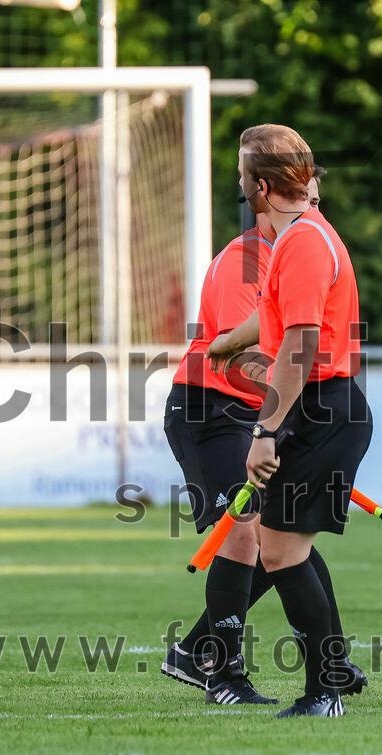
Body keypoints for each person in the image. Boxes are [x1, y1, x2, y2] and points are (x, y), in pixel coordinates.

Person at [238, 124, 373, 717]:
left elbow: (301, 343)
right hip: (320, 406)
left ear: (262, 186)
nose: (242, 189)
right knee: (280, 547)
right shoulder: (305, 235)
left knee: (284, 551)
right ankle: (332, 675)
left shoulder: (302, 241)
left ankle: (325, 689)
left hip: (322, 407)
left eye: (244, 179)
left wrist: (265, 429)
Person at [160, 211, 277, 704]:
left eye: (317, 202)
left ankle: (194, 650)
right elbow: (235, 358)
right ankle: (224, 673)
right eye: (304, 200)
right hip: (210, 408)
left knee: (283, 539)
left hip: (255, 413)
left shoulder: (295, 259)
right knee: (244, 529)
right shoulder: (246, 260)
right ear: (268, 198)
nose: (314, 213)